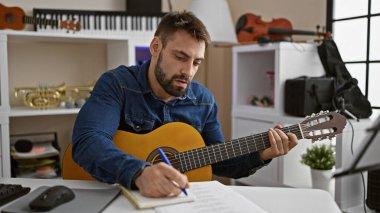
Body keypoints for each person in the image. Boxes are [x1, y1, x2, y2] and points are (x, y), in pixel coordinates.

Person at [72, 11, 298, 198]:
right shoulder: (117, 84)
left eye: (196, 62)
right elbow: (88, 141)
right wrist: (140, 172)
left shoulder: (204, 101)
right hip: (116, 196)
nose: (188, 72)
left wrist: (261, 154)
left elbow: (218, 161)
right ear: (155, 47)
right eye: (181, 57)